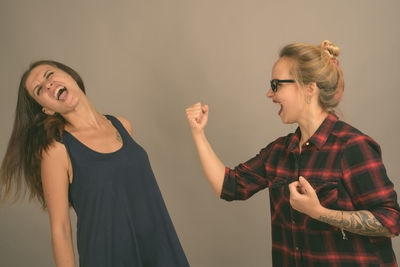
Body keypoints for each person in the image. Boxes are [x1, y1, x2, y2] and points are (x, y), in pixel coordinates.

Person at [185, 40, 400, 266]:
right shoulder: (279, 152)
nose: (269, 93)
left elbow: (391, 221)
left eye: (276, 84)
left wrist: (319, 212)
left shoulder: (351, 146)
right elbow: (229, 186)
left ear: (309, 87)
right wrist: (198, 133)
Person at [0, 60, 189, 267]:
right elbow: (60, 229)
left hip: (159, 250)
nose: (48, 85)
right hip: (108, 257)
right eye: (39, 90)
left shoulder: (122, 125)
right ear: (46, 109)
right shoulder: (57, 150)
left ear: (70, 76)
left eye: (49, 75)